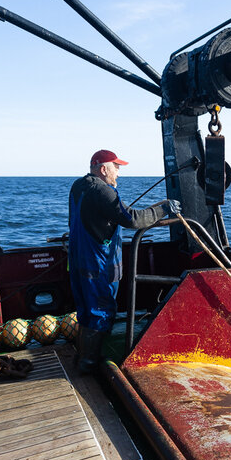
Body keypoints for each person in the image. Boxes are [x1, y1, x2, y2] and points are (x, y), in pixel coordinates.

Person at [68, 149, 180, 372]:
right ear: (103, 169)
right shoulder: (103, 192)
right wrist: (164, 208)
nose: (118, 173)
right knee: (101, 310)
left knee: (85, 311)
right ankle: (90, 365)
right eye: (116, 167)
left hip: (78, 260)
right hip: (98, 265)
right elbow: (133, 219)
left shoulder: (78, 186)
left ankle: (83, 357)